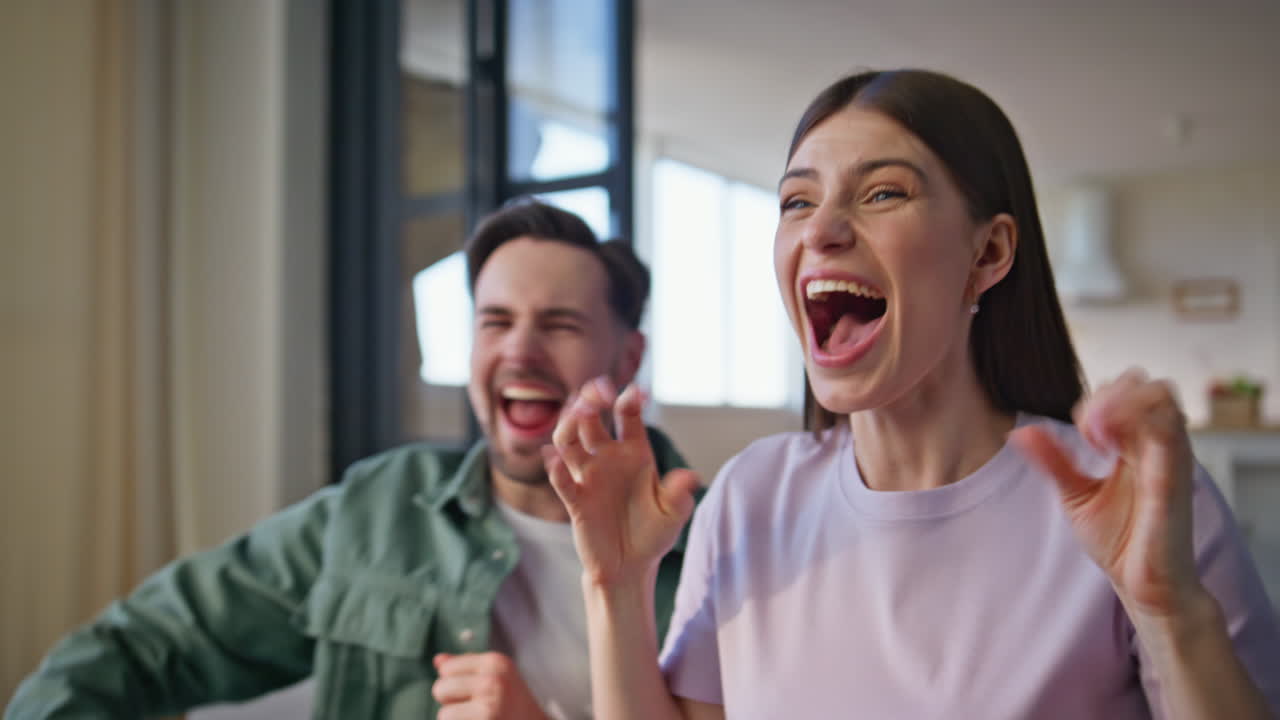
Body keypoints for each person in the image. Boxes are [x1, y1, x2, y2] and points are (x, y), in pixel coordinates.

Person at [543, 70, 1280, 719]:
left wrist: (1170, 615)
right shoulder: (748, 498)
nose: (822, 229)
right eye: (796, 202)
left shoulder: (1128, 502)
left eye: (883, 192)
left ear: (988, 252)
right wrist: (614, 585)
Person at [7, 199, 699, 720]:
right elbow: (145, 647)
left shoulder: (716, 545)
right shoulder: (380, 507)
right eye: (495, 321)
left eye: (560, 324)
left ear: (627, 357)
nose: (519, 351)